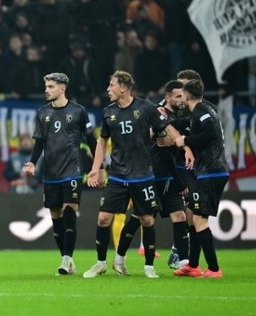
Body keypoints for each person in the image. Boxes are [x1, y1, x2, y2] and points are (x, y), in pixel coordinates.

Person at [83, 71, 193, 279]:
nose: (108, 89)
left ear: (123, 87)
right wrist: (96, 168)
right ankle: (100, 263)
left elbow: (167, 127)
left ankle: (149, 266)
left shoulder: (146, 108)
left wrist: (184, 146)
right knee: (104, 218)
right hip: (117, 175)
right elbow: (102, 142)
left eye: (111, 85)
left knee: (147, 220)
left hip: (142, 176)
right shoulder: (108, 112)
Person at [23, 72, 97, 276]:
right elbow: (39, 142)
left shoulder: (79, 111)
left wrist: (97, 166)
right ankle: (66, 259)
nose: (46, 90)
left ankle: (67, 259)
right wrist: (32, 162)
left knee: (69, 209)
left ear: (62, 88)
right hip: (51, 172)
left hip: (72, 169)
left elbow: (91, 140)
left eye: (51, 87)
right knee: (55, 213)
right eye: (46, 86)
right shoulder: (42, 113)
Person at [173, 79, 228, 278]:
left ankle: (214, 268)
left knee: (199, 219)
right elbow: (186, 123)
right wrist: (167, 121)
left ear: (186, 95)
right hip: (210, 171)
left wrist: (185, 140)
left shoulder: (201, 111)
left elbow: (211, 133)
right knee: (191, 214)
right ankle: (193, 265)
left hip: (211, 171)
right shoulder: (206, 109)